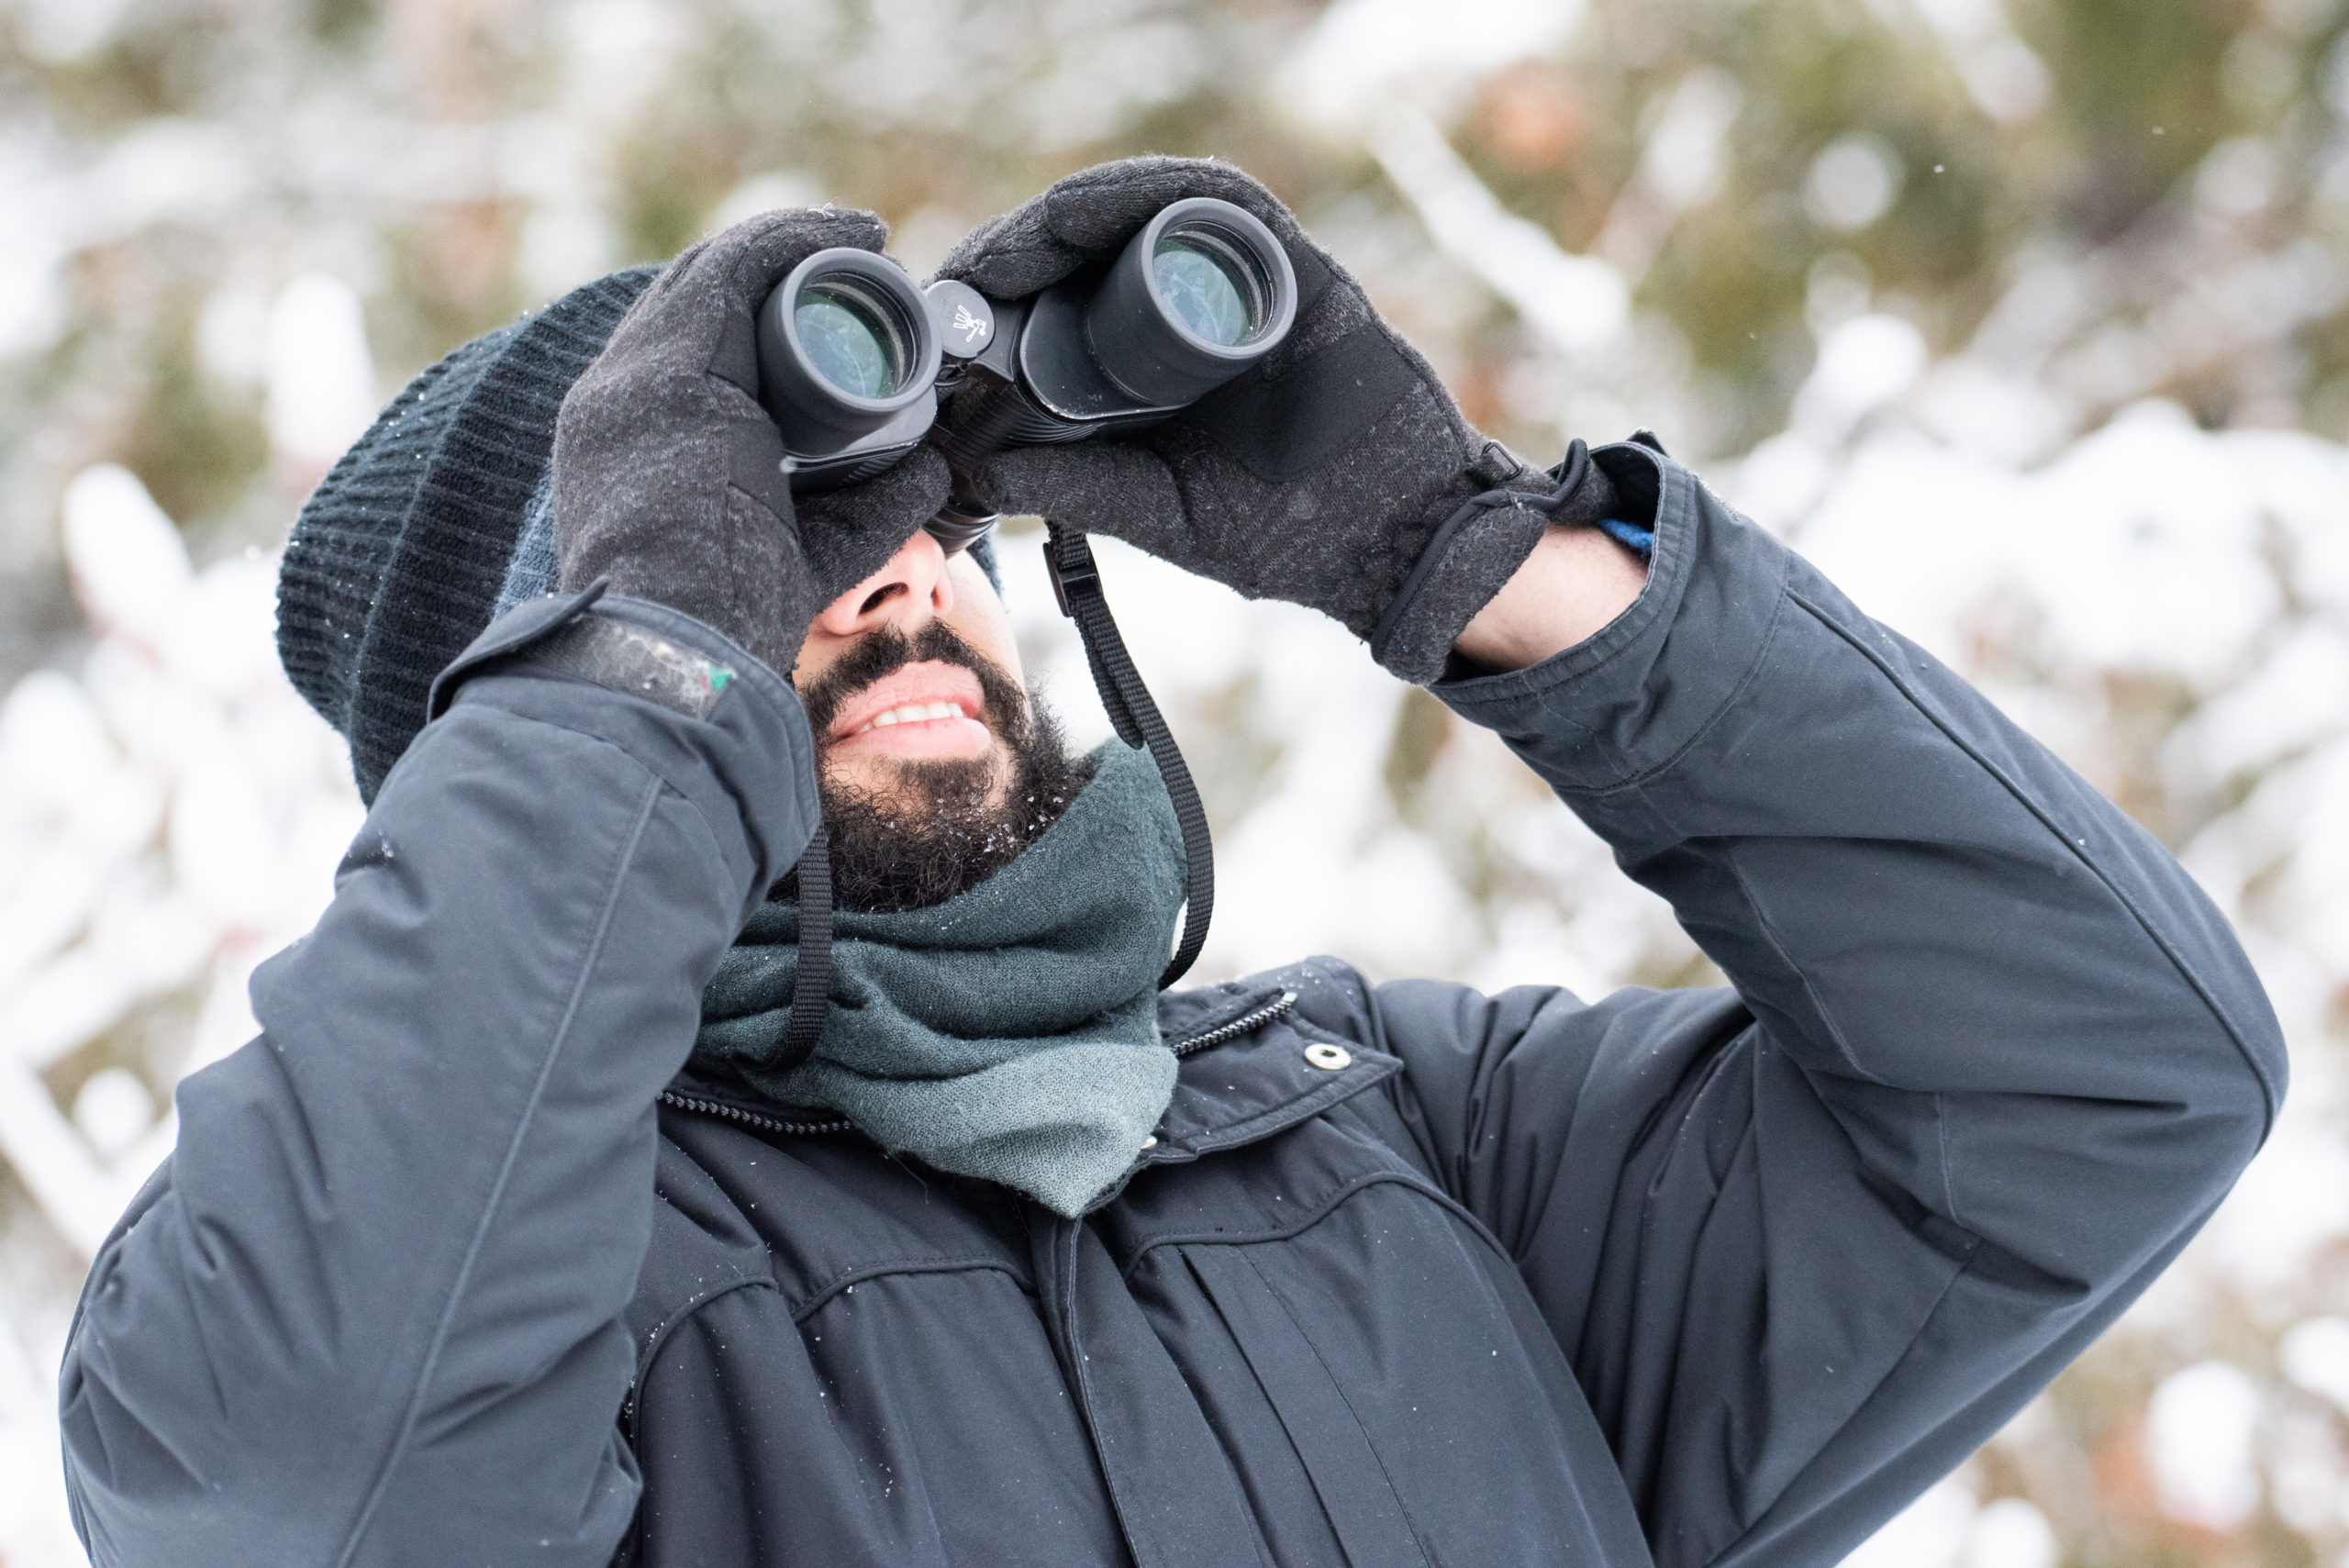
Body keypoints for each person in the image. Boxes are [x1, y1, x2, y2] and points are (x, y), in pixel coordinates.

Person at [57, 158, 2282, 1568]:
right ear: (560, 683)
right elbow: (284, 1480)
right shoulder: (534, 1316)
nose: (898, 586)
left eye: (922, 526)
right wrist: (646, 662)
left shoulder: (1411, 1147)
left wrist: (1469, 557)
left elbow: (2099, 1083)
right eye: (772, 554)